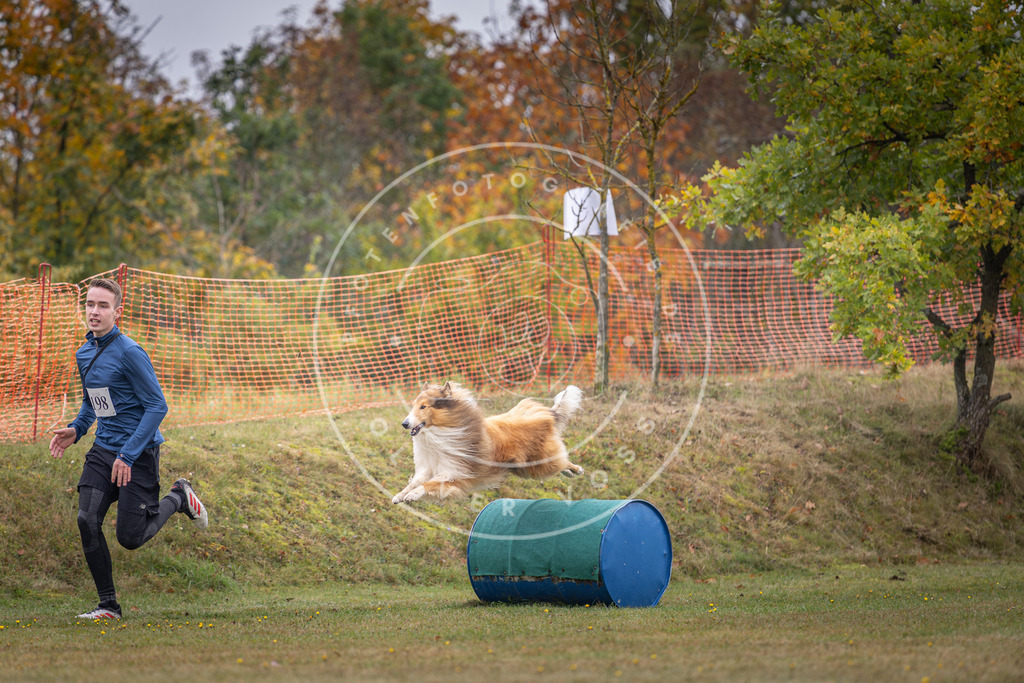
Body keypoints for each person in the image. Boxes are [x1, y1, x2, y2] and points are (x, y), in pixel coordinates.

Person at [49, 277, 208, 621]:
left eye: (102, 306)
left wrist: (128, 454)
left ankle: (179, 497)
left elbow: (157, 406)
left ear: (117, 312)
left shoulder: (130, 352)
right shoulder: (84, 352)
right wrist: (76, 429)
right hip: (103, 449)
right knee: (86, 519)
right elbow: (94, 402)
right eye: (90, 304)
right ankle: (108, 606)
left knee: (131, 538)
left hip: (139, 454)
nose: (94, 311)